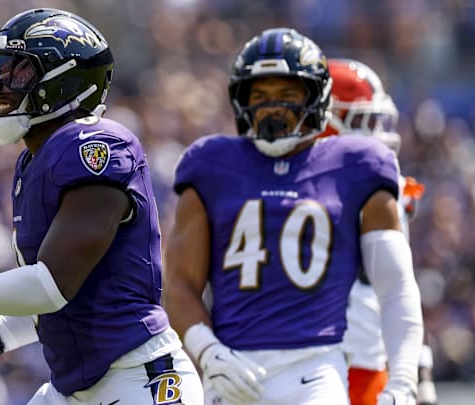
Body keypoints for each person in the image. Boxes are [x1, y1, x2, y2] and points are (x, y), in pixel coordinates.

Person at [0, 8, 202, 405]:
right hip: (73, 388)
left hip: (138, 379)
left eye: (17, 73)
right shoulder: (32, 163)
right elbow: (50, 307)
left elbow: (48, 287)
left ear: (64, 82)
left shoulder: (97, 145)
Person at [162, 27, 424, 405]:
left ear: (316, 97)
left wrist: (403, 381)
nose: (273, 107)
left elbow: (397, 287)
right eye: (260, 95)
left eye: (288, 94)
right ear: (241, 100)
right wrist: (208, 351)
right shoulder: (210, 164)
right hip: (233, 367)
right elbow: (180, 283)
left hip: (316, 371)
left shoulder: (358, 165)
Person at [324, 58, 438, 405]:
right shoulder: (283, 190)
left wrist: (419, 372)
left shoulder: (385, 192)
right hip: (301, 363)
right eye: (364, 121)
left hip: (367, 369)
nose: (376, 131)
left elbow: (401, 288)